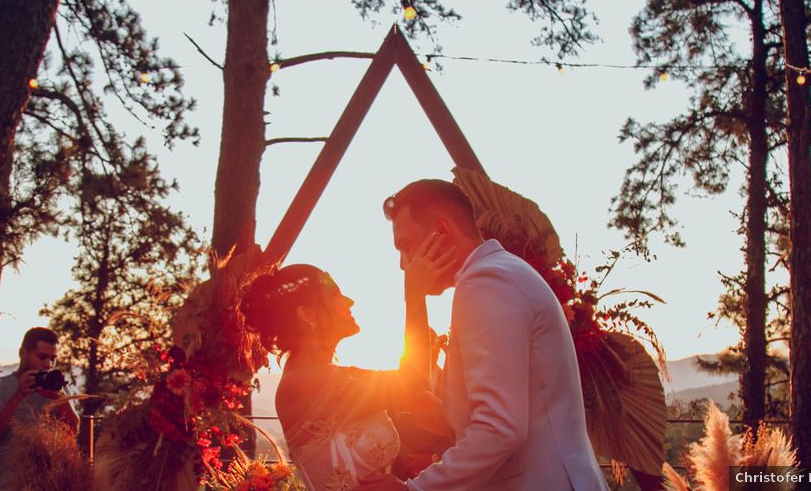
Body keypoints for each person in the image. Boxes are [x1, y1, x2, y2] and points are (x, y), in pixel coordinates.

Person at [363, 179, 608, 491]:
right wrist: (448, 418)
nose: (402, 264)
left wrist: (414, 489)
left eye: (406, 245)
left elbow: (500, 427)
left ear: (441, 230)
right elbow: (521, 411)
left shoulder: (487, 282)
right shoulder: (500, 273)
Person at [244, 261, 454, 490]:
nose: (349, 301)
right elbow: (413, 381)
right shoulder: (303, 381)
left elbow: (410, 392)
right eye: (335, 294)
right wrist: (414, 293)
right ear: (307, 314)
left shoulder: (329, 376)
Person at [0, 327, 79, 490]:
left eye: (53, 359)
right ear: (23, 353)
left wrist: (61, 399)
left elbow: (72, 433)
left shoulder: (58, 391)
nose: (48, 365)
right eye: (42, 357)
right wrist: (18, 395)